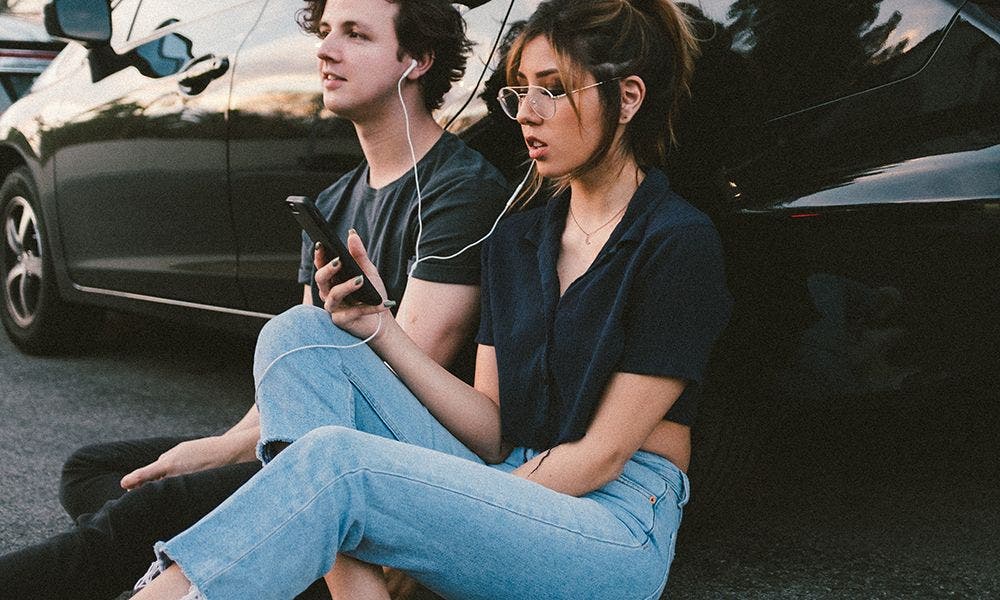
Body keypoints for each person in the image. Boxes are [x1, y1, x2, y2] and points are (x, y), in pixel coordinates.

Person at [132, 0, 732, 598]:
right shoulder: (517, 238)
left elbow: (602, 456)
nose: (527, 112)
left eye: (553, 90)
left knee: (340, 467)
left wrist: (426, 515)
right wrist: (378, 327)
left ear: (627, 98)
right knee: (297, 336)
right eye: (520, 90)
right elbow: (491, 432)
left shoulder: (677, 242)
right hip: (506, 474)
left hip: (613, 521)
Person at [0, 0, 509, 598]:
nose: (326, 50)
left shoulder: (458, 192)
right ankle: (254, 562)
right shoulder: (334, 201)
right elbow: (294, 365)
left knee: (139, 512)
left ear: (417, 60)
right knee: (95, 469)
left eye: (355, 35)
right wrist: (228, 444)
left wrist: (228, 455)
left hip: (381, 463)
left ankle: (238, 556)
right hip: (308, 436)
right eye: (325, 31)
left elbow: (387, 392)